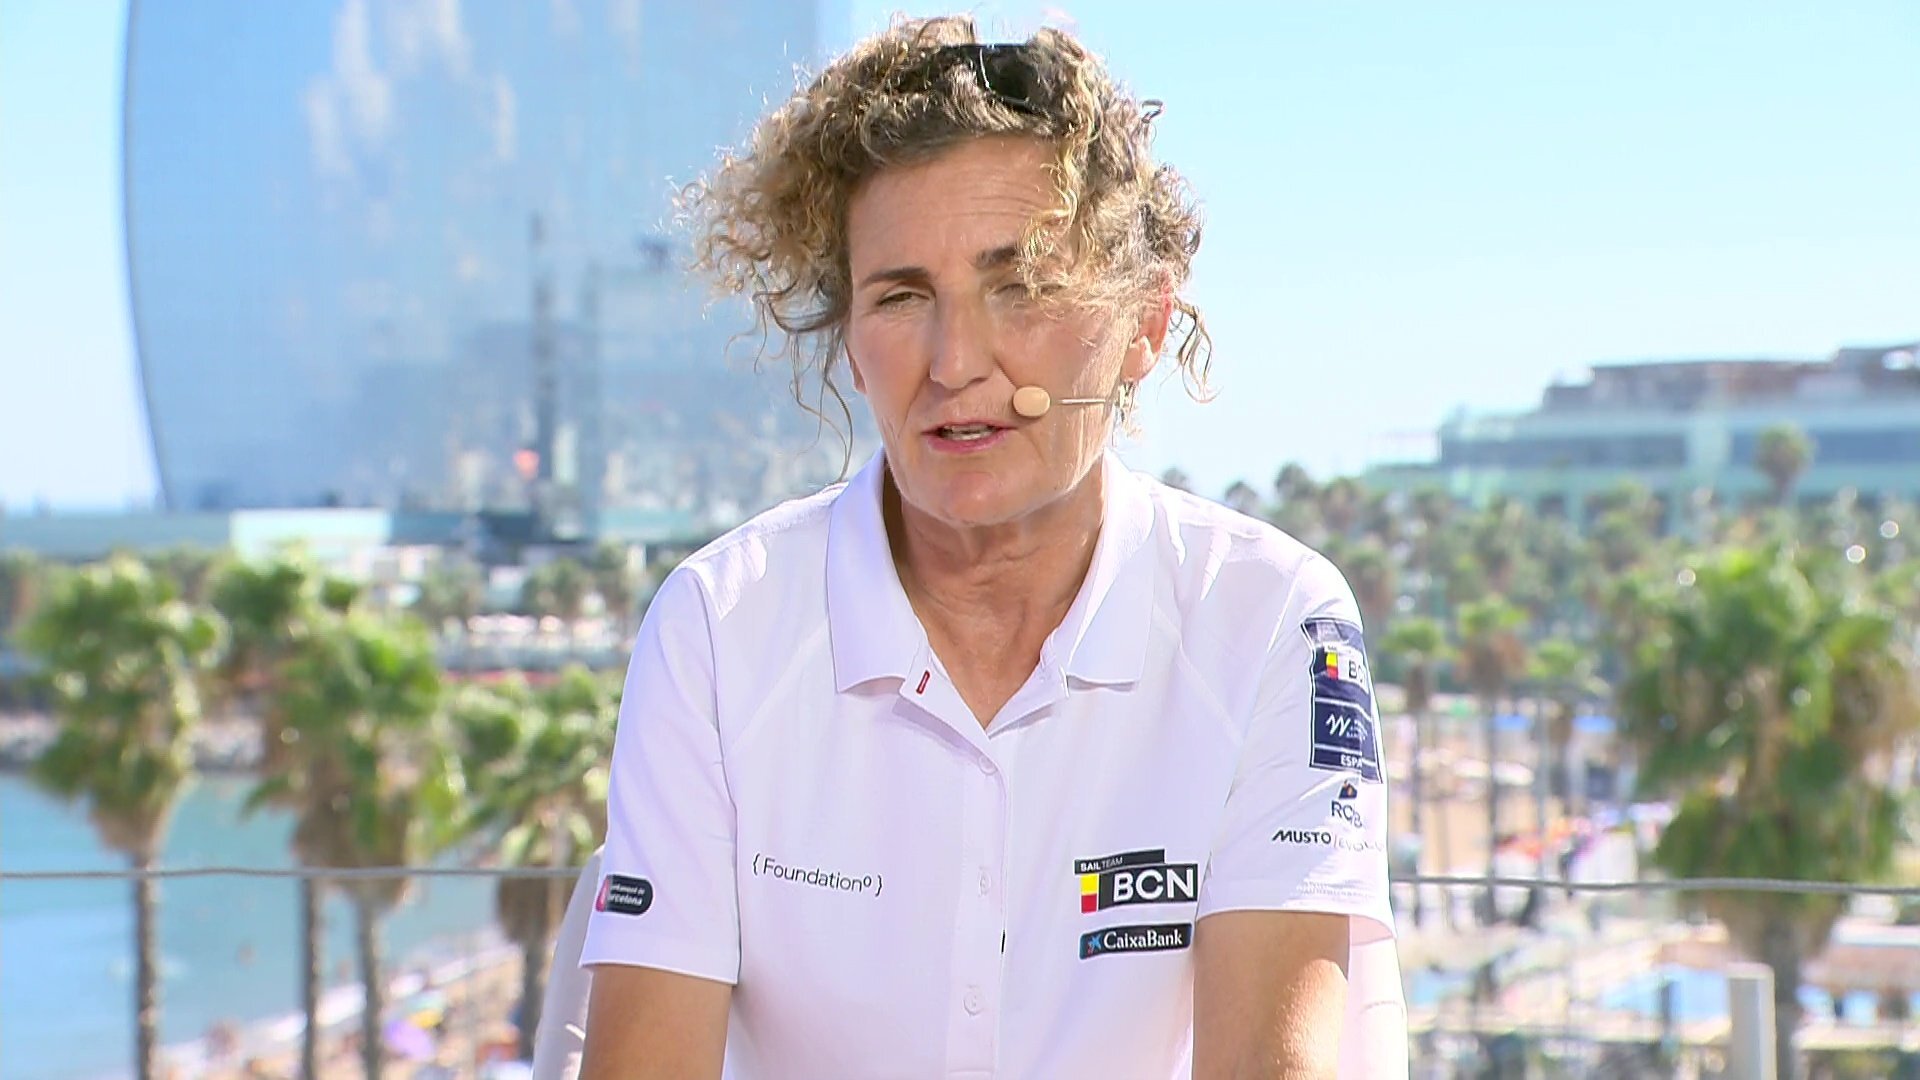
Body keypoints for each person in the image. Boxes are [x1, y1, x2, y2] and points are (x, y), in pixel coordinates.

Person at [575, 15, 1406, 1078]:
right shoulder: (719, 625)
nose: (955, 361)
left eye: (1022, 287)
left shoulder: (1272, 618)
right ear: (851, 344)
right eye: (900, 297)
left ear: (1147, 323)